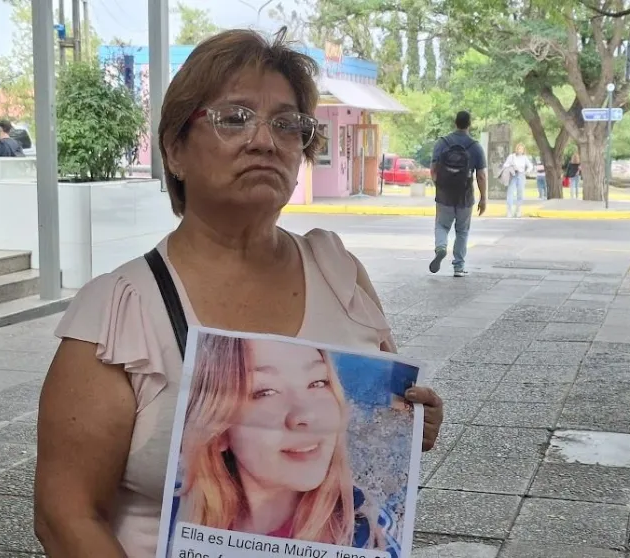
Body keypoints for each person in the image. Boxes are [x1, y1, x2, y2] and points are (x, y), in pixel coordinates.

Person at [32, 28, 444, 558]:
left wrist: (410, 427)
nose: (265, 141)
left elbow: (378, 421)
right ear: (174, 151)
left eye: (287, 124)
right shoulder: (120, 311)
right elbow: (64, 516)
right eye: (235, 118)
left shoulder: (338, 272)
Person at [173, 335, 399, 555]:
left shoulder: (370, 533)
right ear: (218, 429)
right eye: (265, 392)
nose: (306, 415)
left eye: (318, 382)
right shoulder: (173, 518)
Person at [429, 110, 487, 278]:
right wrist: (483, 199)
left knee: (441, 225)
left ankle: (441, 247)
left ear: (455, 123)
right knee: (462, 231)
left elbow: (433, 170)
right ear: (469, 124)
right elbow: (481, 176)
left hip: (444, 195)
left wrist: (439, 186)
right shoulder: (475, 147)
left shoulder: (442, 143)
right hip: (465, 196)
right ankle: (458, 267)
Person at [498, 143, 535, 218]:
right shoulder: (511, 156)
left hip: (521, 175)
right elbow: (505, 165)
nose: (520, 150)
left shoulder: (524, 158)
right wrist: (512, 167)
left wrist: (526, 171)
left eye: (521, 149)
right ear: (516, 149)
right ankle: (509, 211)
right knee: (510, 193)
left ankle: (518, 210)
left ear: (523, 150)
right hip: (513, 175)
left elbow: (530, 166)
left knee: (520, 193)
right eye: (518, 148)